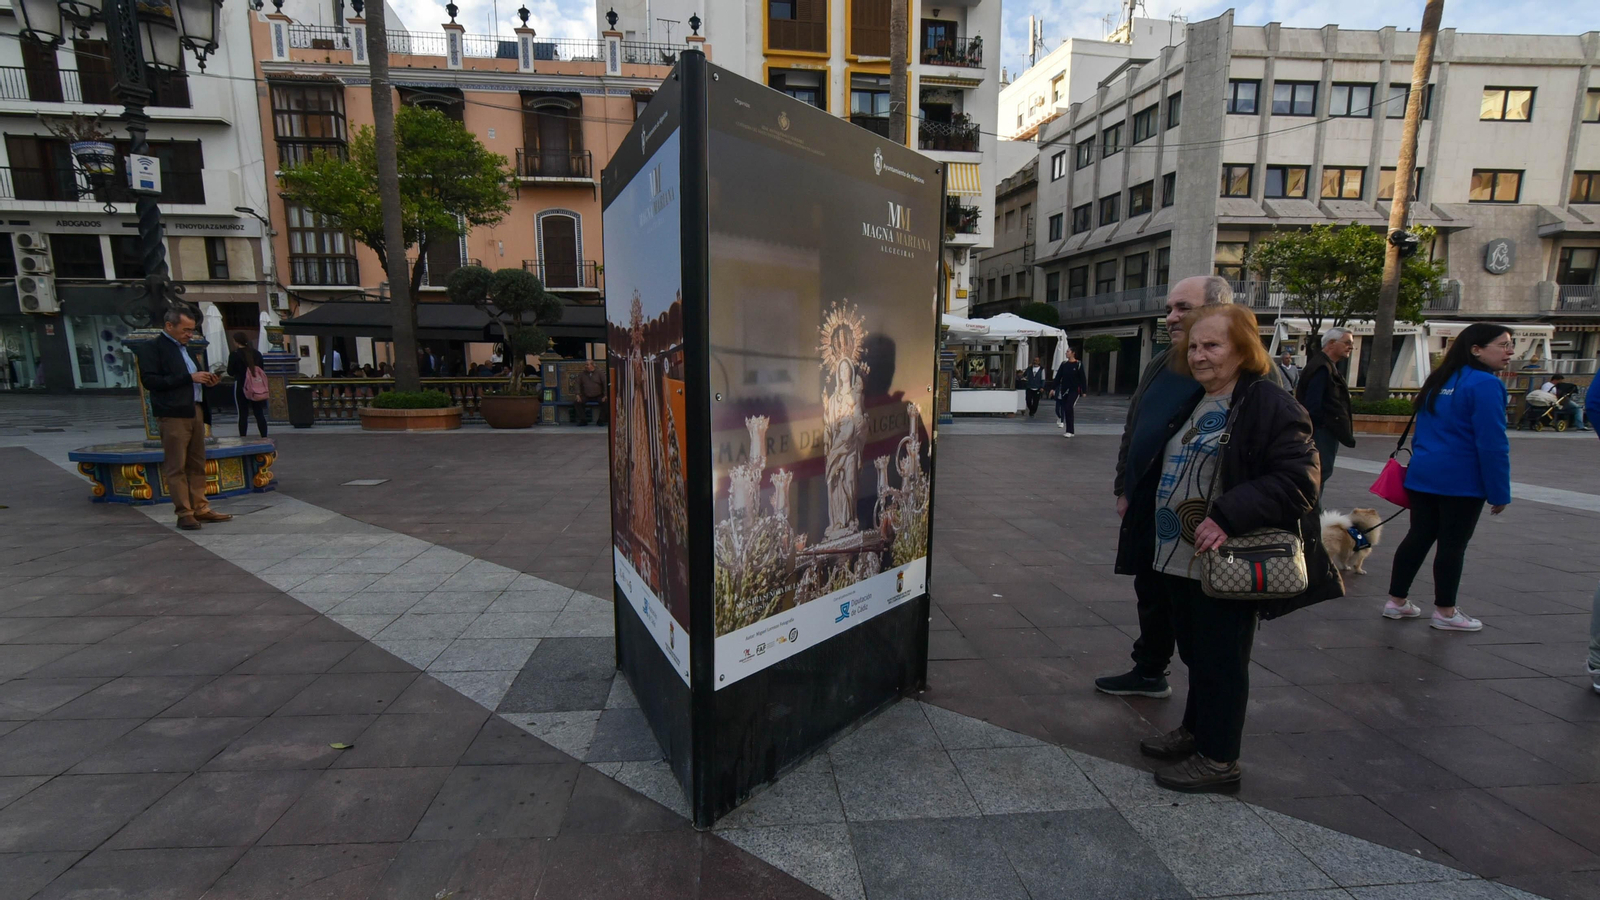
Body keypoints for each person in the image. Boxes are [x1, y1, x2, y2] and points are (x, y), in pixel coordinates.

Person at [1123, 303, 1337, 793]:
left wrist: (1227, 514)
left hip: (1226, 559)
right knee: (1199, 655)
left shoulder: (1267, 402)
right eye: (1194, 346)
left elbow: (1299, 480)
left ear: (1243, 350)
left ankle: (1219, 759)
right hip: (1180, 558)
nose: (1199, 356)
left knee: (1222, 660)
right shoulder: (1200, 398)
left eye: (1213, 346)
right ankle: (1197, 732)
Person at [1101, 274, 1240, 699]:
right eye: (1168, 309)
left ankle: (1206, 718)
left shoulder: (1249, 374)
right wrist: (1124, 488)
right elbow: (1135, 426)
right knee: (1151, 592)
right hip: (1152, 502)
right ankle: (1149, 670)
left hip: (1206, 517)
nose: (1172, 317)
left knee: (1199, 616)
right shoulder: (1162, 362)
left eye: (1183, 308)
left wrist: (1233, 513)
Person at [1383, 323, 1514, 632]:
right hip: (1461, 481)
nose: (1509, 352)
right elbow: (1492, 443)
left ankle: (1396, 601)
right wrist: (1499, 491)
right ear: (1476, 349)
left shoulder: (1439, 379)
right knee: (1452, 545)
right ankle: (1445, 611)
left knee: (1418, 537)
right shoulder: (1485, 384)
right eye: (1503, 345)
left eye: (1511, 345)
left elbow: (1422, 433)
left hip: (1423, 475)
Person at [137, 308, 233, 531]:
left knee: (197, 463)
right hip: (173, 413)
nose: (190, 334)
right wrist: (189, 377)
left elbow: (192, 380)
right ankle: (184, 513)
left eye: (192, 330)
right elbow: (150, 381)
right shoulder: (152, 348)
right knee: (177, 465)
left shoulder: (187, 350)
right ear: (169, 326)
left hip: (195, 409)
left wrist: (207, 381)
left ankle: (201, 507)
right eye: (186, 330)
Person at [1296, 328, 1356, 499]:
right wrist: (1324, 425)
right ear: (1331, 343)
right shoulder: (1322, 368)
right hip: (1321, 432)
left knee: (1319, 475)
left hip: (1323, 430)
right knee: (1319, 474)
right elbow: (1313, 404)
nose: (1351, 347)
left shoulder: (1325, 366)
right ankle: (1312, 512)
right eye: (1347, 343)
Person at [226, 331, 269, 438]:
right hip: (256, 386)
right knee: (259, 412)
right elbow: (261, 368)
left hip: (241, 385)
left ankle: (243, 436)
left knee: (243, 413)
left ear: (236, 341)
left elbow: (230, 372)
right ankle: (264, 436)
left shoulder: (234, 354)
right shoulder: (257, 353)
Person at [1054, 349, 1086, 437]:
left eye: (1068, 351)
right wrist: (1053, 388)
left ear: (1073, 353)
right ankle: (1070, 431)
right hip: (1064, 390)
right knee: (1067, 409)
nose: (1066, 353)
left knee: (1069, 407)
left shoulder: (1078, 364)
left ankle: (1070, 431)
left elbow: (1082, 378)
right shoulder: (1064, 364)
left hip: (1074, 390)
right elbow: (1058, 377)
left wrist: (1084, 390)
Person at [576, 360, 607, 426]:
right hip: (586, 395)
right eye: (585, 365)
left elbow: (605, 383)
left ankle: (601, 420)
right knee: (577, 403)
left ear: (592, 365)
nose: (586, 366)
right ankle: (583, 420)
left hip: (598, 395)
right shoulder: (582, 374)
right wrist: (578, 394)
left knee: (606, 402)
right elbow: (577, 384)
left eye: (587, 365)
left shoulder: (600, 373)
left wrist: (605, 395)